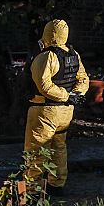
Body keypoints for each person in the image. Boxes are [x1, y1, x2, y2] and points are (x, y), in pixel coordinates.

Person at [24, 19, 88, 195]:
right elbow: (83, 79)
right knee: (59, 147)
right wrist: (76, 95)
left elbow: (43, 86)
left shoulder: (46, 57)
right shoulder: (74, 55)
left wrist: (65, 96)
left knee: (36, 149)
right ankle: (57, 184)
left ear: (47, 34)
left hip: (45, 111)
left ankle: (32, 190)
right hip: (66, 112)